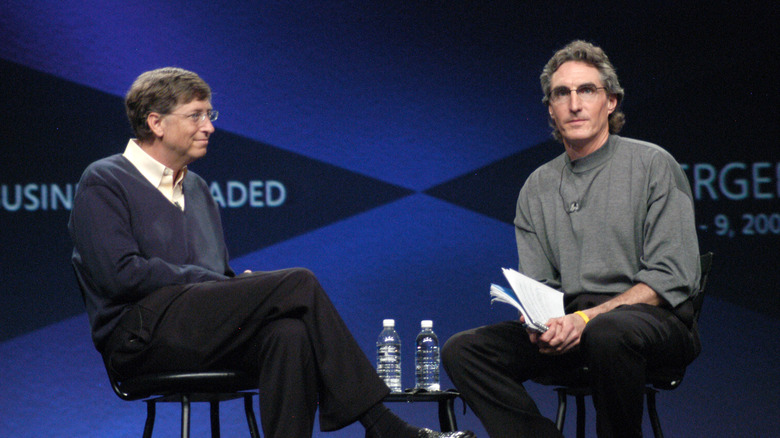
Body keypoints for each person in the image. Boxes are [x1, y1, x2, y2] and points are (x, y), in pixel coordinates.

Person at [69, 67, 475, 438]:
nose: (208, 127)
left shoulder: (197, 189)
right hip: (139, 341)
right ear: (155, 122)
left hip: (196, 330)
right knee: (297, 282)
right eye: (196, 115)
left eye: (210, 115)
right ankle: (383, 425)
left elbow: (212, 273)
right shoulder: (105, 180)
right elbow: (120, 275)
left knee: (290, 332)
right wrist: (218, 285)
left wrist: (229, 287)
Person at [441, 40, 702, 437]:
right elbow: (540, 287)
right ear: (551, 108)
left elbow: (672, 276)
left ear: (610, 102)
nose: (574, 104)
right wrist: (540, 324)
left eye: (587, 91)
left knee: (608, 333)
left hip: (653, 323)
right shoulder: (537, 187)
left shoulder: (651, 164)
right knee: (463, 350)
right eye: (562, 93)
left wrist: (586, 319)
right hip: (572, 327)